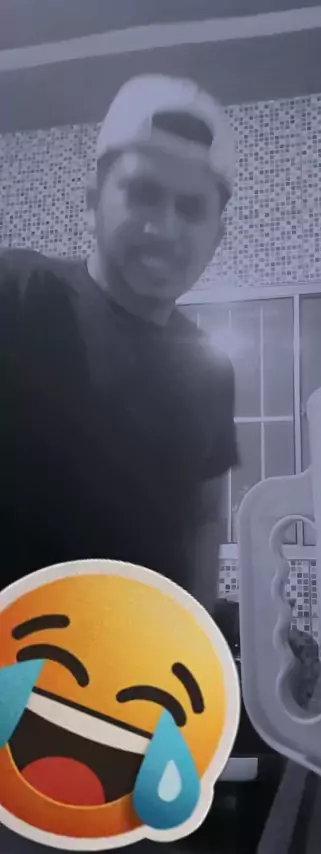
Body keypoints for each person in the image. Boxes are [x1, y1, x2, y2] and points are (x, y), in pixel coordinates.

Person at [0, 75, 238, 614]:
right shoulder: (17, 295)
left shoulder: (210, 369)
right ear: (93, 203)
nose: (164, 229)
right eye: (144, 194)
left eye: (191, 207)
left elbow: (205, 516)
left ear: (216, 237)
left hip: (140, 661)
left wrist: (196, 631)